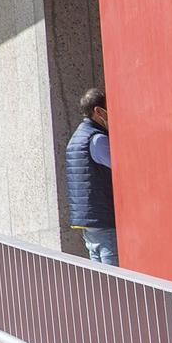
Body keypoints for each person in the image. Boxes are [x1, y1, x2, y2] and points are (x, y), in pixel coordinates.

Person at [66, 86, 117, 266]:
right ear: (98, 111)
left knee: (101, 275)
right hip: (102, 219)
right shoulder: (97, 139)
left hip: (88, 221)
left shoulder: (77, 138)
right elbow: (120, 167)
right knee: (115, 278)